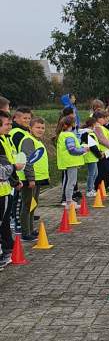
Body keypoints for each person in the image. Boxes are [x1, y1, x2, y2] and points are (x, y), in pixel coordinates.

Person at [0, 110, 25, 266]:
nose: (10, 126)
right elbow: (4, 168)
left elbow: (7, 163)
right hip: (2, 189)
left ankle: (7, 249)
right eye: (7, 124)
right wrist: (15, 167)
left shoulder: (5, 139)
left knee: (4, 222)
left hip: (6, 188)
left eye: (10, 123)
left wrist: (15, 180)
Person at [18, 117, 49, 241]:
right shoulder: (28, 141)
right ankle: (25, 233)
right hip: (29, 179)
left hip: (37, 178)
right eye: (37, 127)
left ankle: (30, 229)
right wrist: (31, 178)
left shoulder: (36, 141)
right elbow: (28, 160)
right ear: (30, 128)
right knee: (27, 205)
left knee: (33, 205)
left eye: (42, 128)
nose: (40, 130)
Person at [55, 115, 89, 206]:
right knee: (71, 182)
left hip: (67, 162)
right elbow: (72, 149)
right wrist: (83, 150)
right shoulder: (69, 135)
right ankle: (69, 201)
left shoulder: (62, 134)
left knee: (68, 181)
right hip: (71, 162)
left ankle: (68, 200)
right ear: (70, 125)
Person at [93, 110, 109, 192]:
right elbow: (102, 140)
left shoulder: (102, 127)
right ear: (99, 119)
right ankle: (98, 187)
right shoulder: (98, 127)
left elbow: (107, 138)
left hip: (108, 152)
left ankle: (105, 186)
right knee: (103, 171)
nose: (106, 120)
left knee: (106, 171)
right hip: (104, 152)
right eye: (104, 118)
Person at [80, 117, 102, 196]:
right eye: (96, 123)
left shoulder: (91, 132)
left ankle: (91, 188)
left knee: (95, 173)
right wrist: (99, 155)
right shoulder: (88, 133)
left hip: (94, 157)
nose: (97, 125)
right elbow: (93, 147)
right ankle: (89, 190)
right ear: (93, 124)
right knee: (91, 174)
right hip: (90, 157)